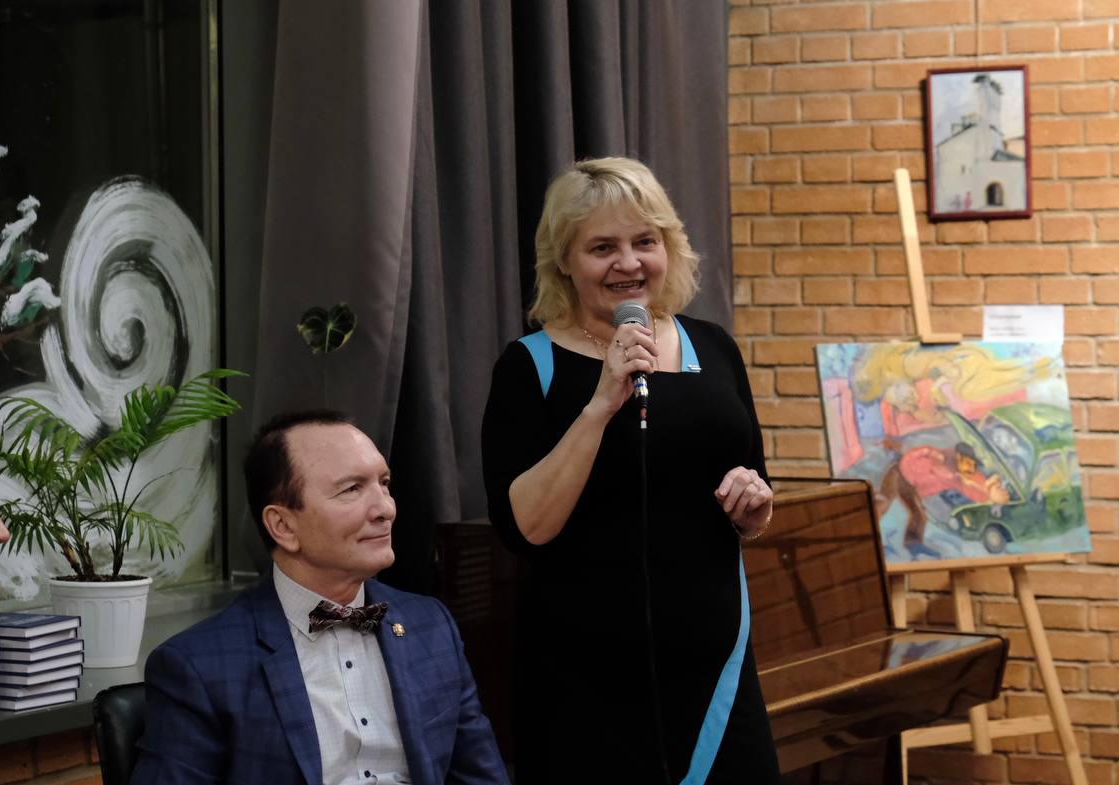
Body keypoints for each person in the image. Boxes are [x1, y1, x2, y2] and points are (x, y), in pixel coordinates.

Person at [481, 157, 780, 785]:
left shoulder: (715, 347)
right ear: (564, 260)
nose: (629, 263)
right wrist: (601, 402)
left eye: (645, 241)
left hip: (716, 672)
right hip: (586, 685)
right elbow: (526, 527)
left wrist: (753, 509)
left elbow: (752, 490)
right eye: (602, 248)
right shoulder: (528, 366)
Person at [131, 410, 508, 785]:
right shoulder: (199, 666)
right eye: (352, 489)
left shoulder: (431, 625)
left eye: (384, 483)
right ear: (283, 526)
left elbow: (482, 777)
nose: (386, 509)